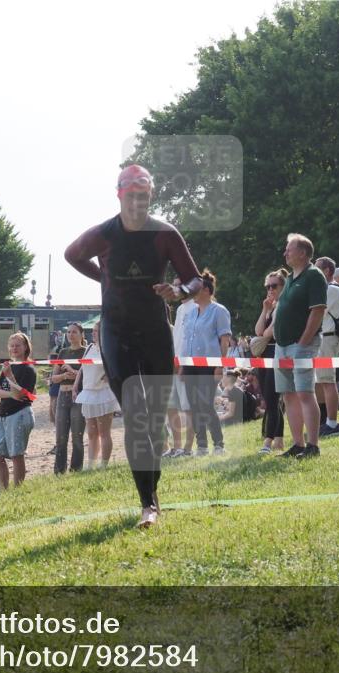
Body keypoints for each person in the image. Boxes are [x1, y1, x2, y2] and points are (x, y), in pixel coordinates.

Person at [64, 164, 203, 528]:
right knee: (136, 416)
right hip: (117, 331)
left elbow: (194, 279)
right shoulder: (104, 234)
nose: (137, 202)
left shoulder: (164, 233)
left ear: (150, 196)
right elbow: (71, 254)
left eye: (144, 195)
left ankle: (152, 493)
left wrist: (178, 291)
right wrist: (103, 277)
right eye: (131, 195)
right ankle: (148, 504)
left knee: (155, 417)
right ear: (120, 195)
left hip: (154, 328)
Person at [274, 233, 327, 459]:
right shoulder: (292, 278)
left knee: (305, 393)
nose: (285, 252)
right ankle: (297, 444)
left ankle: (312, 445)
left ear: (303, 253)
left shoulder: (314, 276)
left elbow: (317, 311)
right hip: (283, 345)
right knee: (288, 395)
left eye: (289, 249)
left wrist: (304, 340)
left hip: (300, 344)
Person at [179, 269, 232, 456]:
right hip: (191, 365)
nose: (192, 292)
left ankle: (219, 444)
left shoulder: (219, 311)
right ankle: (201, 445)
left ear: (207, 290)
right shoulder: (191, 313)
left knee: (205, 404)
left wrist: (220, 365)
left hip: (209, 366)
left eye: (196, 289)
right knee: (194, 406)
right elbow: (187, 341)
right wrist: (183, 366)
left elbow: (224, 340)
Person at [0, 332, 37, 488]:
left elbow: (19, 396)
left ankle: (17, 490)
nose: (14, 348)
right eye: (12, 345)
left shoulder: (28, 369)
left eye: (18, 345)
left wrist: (10, 377)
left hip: (19, 414)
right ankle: (4, 491)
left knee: (16, 455)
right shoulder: (9, 366)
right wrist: (10, 392)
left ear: (26, 347)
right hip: (3, 416)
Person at [74, 320, 120, 468]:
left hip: (103, 393)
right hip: (88, 392)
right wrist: (75, 386)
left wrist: (110, 375)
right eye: (93, 330)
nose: (93, 333)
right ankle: (91, 464)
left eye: (96, 331)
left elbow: (118, 367)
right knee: (92, 432)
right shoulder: (89, 348)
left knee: (104, 432)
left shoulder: (109, 348)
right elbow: (82, 369)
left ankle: (104, 464)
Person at [255, 269, 286, 454]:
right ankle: (279, 439)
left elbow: (269, 333)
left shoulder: (283, 306)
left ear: (283, 286)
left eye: (274, 286)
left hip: (276, 354)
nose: (270, 289)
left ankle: (268, 441)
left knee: (273, 398)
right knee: (270, 398)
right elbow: (259, 330)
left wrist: (264, 335)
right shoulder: (271, 308)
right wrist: (265, 309)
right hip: (264, 357)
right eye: (268, 286)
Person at [162, 285, 194, 459]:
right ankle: (177, 446)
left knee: (187, 409)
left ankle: (187, 447)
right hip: (166, 375)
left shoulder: (173, 329)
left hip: (180, 371)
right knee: (171, 409)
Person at [51, 322, 87, 474]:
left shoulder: (86, 352)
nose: (71, 335)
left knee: (77, 437)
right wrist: (65, 375)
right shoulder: (62, 352)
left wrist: (73, 372)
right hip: (62, 395)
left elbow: (86, 376)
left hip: (78, 395)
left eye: (74, 332)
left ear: (81, 335)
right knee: (61, 437)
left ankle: (76, 470)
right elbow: (54, 378)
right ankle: (59, 471)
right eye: (69, 332)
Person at [314, 257, 339, 436]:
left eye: (317, 269)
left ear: (326, 271)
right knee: (320, 381)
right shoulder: (327, 289)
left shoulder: (332, 289)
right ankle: (324, 420)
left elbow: (319, 311)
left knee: (327, 381)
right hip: (322, 338)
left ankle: (332, 423)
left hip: (328, 337)